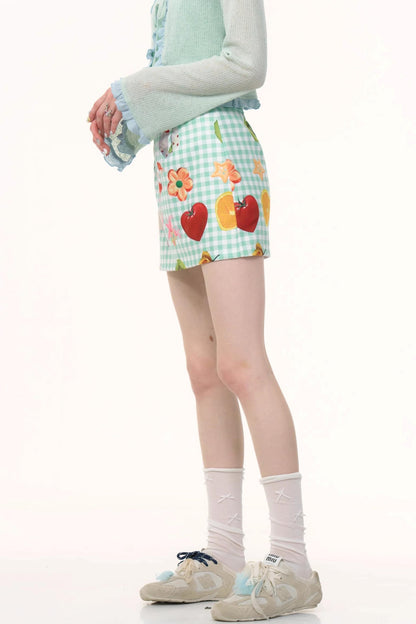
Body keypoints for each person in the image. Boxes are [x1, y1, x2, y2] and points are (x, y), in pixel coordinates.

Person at [87, 0, 323, 620]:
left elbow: (246, 64)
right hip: (177, 170)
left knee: (242, 364)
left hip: (221, 163)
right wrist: (128, 111)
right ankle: (224, 551)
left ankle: (294, 562)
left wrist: (134, 89)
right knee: (205, 370)